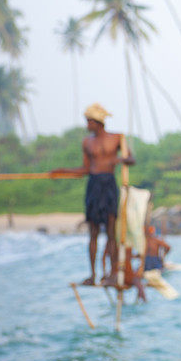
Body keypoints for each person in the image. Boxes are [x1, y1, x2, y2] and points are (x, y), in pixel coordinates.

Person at [52, 103, 134, 287]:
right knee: (93, 233)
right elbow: (85, 170)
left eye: (89, 121)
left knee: (111, 233)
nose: (87, 125)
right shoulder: (87, 142)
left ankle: (113, 273)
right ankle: (92, 275)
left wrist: (120, 159)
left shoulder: (117, 138)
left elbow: (131, 159)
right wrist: (63, 171)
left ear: (98, 122)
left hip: (109, 185)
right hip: (94, 186)